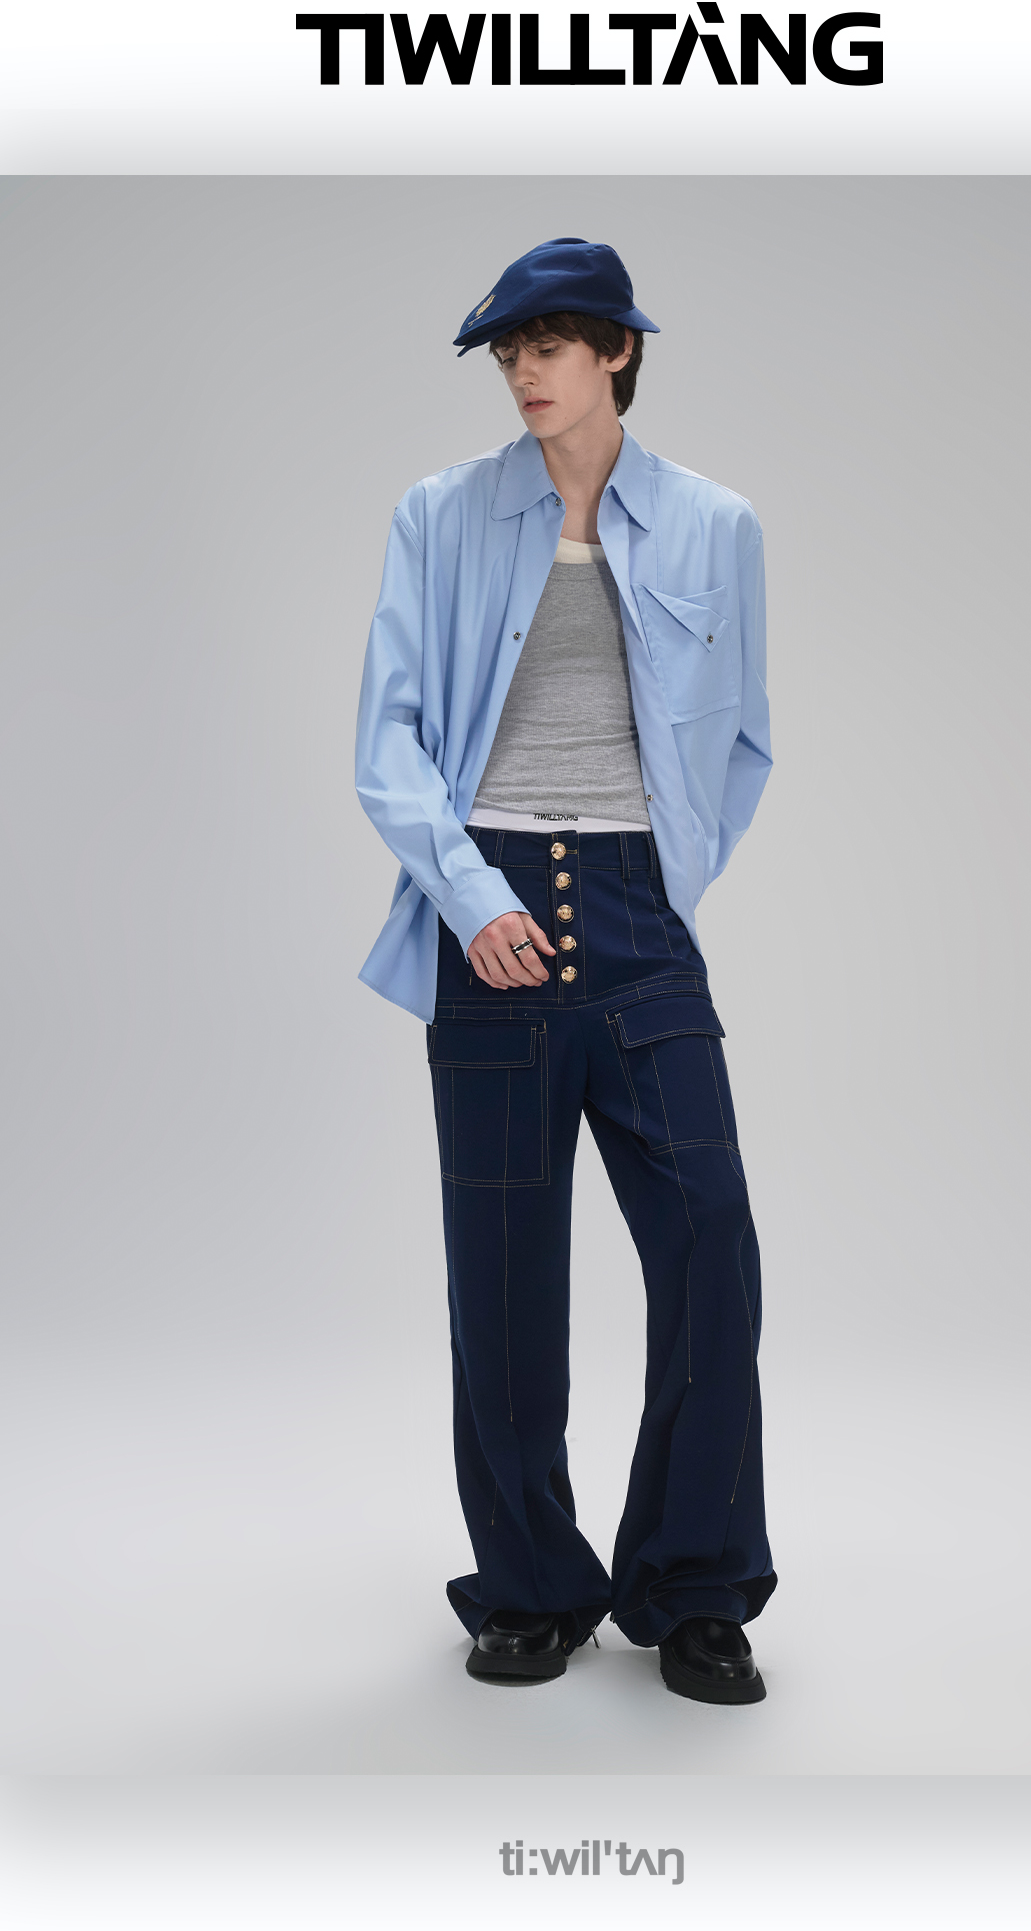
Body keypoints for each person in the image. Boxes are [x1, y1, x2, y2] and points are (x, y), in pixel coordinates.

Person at [354, 237, 775, 1705]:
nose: (524, 375)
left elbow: (744, 740)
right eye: (508, 353)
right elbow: (387, 740)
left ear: (617, 354)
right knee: (505, 1278)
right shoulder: (440, 516)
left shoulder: (716, 525)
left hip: (640, 918)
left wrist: (665, 884)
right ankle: (532, 1586)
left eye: (549, 347)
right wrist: (472, 897)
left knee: (712, 1243)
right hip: (488, 913)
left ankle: (696, 1585)